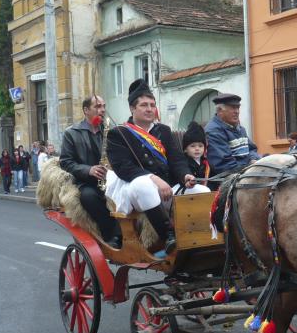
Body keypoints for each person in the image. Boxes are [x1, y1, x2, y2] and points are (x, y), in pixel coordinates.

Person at [106, 80, 195, 254]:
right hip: (134, 191)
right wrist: (154, 179)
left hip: (167, 188)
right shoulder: (119, 133)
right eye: (144, 105)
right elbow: (123, 168)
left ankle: (200, 238)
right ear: (133, 108)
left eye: (152, 105)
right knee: (143, 185)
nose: (149, 109)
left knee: (199, 190)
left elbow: (177, 160)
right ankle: (168, 236)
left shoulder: (163, 130)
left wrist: (185, 176)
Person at [60, 94, 122, 248]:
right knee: (89, 197)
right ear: (86, 110)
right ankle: (112, 235)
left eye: (103, 106)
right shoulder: (71, 133)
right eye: (97, 106)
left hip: (111, 179)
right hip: (86, 182)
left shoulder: (110, 131)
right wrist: (89, 170)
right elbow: (66, 162)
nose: (102, 110)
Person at [205, 93, 261, 173]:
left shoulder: (240, 129)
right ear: (219, 111)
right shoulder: (213, 131)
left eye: (238, 108)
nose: (237, 112)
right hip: (227, 178)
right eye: (233, 108)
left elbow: (252, 149)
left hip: (244, 171)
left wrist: (254, 159)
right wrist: (250, 165)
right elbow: (224, 165)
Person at [176, 121, 212, 193]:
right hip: (184, 188)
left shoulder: (206, 162)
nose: (197, 149)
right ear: (185, 149)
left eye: (200, 146)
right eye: (192, 146)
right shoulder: (183, 162)